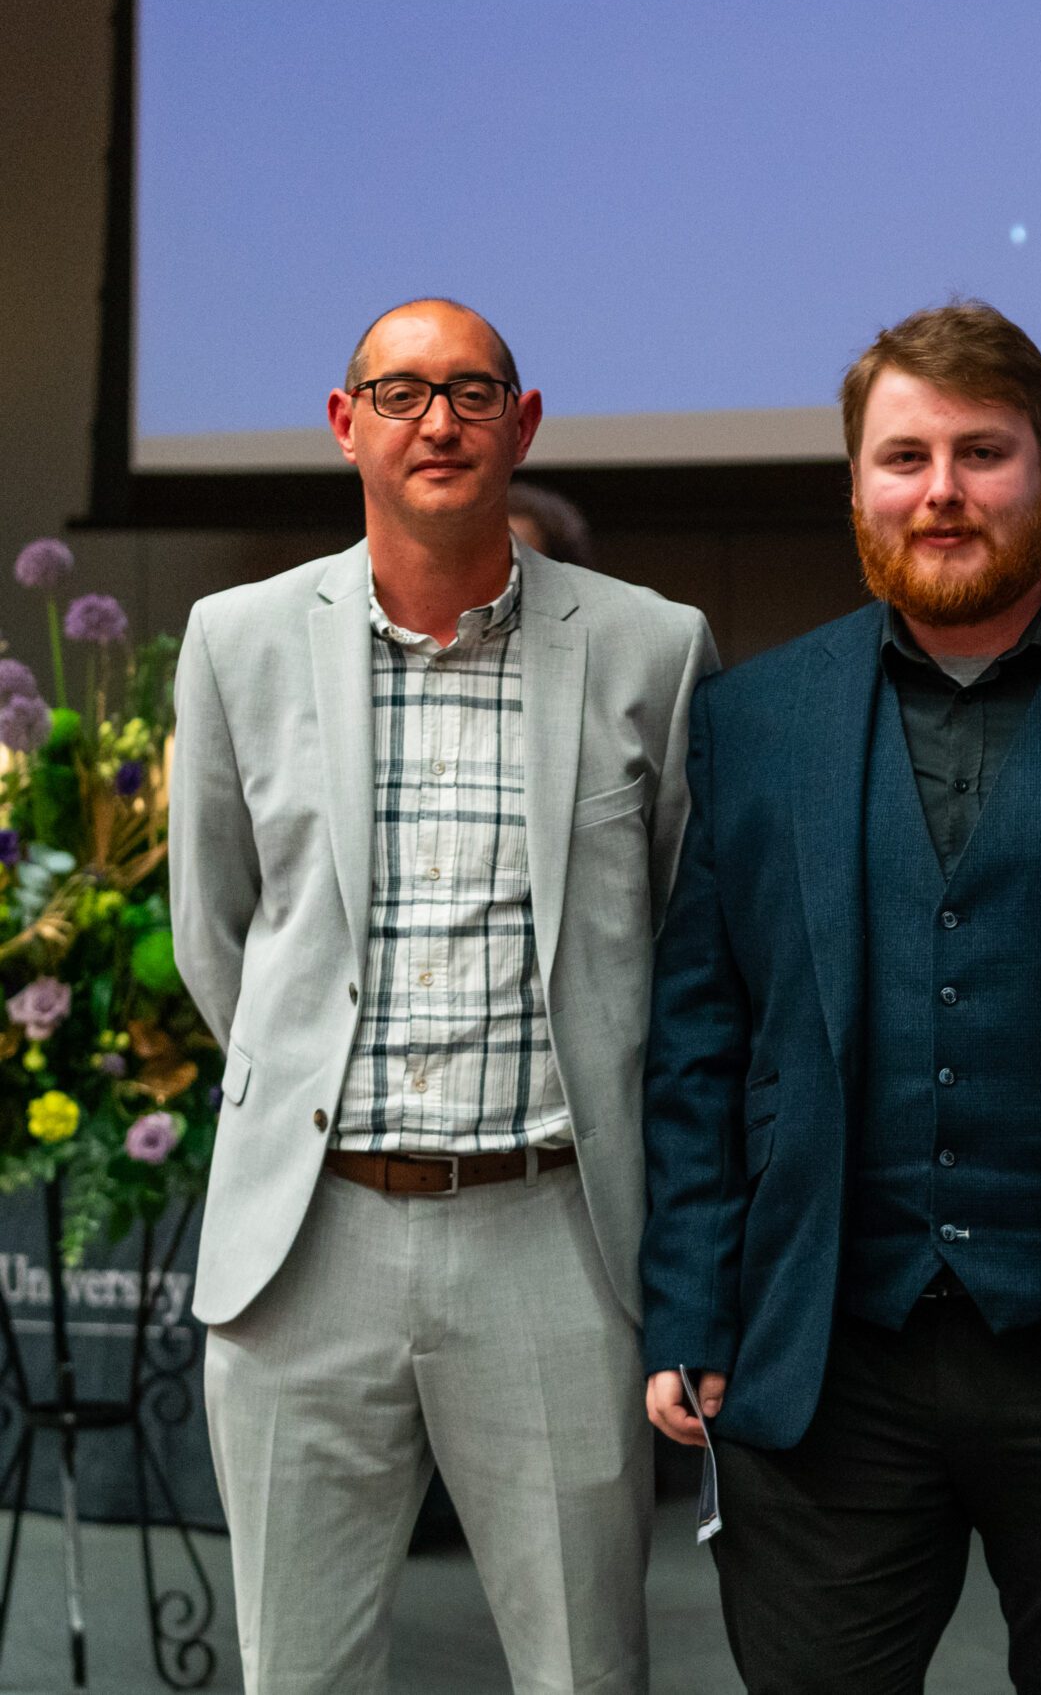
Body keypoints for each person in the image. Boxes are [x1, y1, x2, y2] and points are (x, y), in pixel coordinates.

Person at [641, 301, 1041, 1695]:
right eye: (905, 456)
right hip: (825, 1356)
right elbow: (698, 1038)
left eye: (984, 453)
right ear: (855, 485)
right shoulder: (756, 719)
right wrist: (691, 1304)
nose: (943, 492)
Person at [169, 297, 718, 1694]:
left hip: (552, 1236)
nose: (440, 419)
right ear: (345, 423)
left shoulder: (654, 648)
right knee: (299, 1671)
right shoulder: (235, 641)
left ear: (522, 427)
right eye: (402, 392)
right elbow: (215, 934)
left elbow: (682, 933)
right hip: (307, 1247)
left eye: (475, 392)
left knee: (587, 1671)